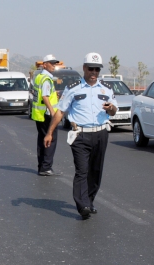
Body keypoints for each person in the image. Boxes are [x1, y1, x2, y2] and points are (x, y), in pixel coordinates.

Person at [44, 52, 117, 220]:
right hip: (80, 135)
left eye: (97, 69)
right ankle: (82, 204)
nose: (94, 72)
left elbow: (114, 111)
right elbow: (60, 111)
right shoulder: (73, 88)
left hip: (100, 133)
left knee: (95, 171)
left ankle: (89, 201)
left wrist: (110, 108)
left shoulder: (106, 88)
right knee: (82, 170)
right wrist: (49, 133)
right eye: (91, 68)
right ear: (84, 68)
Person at [32, 54, 62, 176]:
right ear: (45, 65)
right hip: (46, 114)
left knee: (42, 139)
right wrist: (53, 112)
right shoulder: (46, 79)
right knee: (51, 139)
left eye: (55, 63)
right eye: (51, 63)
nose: (54, 66)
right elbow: (45, 97)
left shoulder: (39, 76)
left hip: (39, 114)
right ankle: (46, 167)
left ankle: (41, 166)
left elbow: (45, 94)